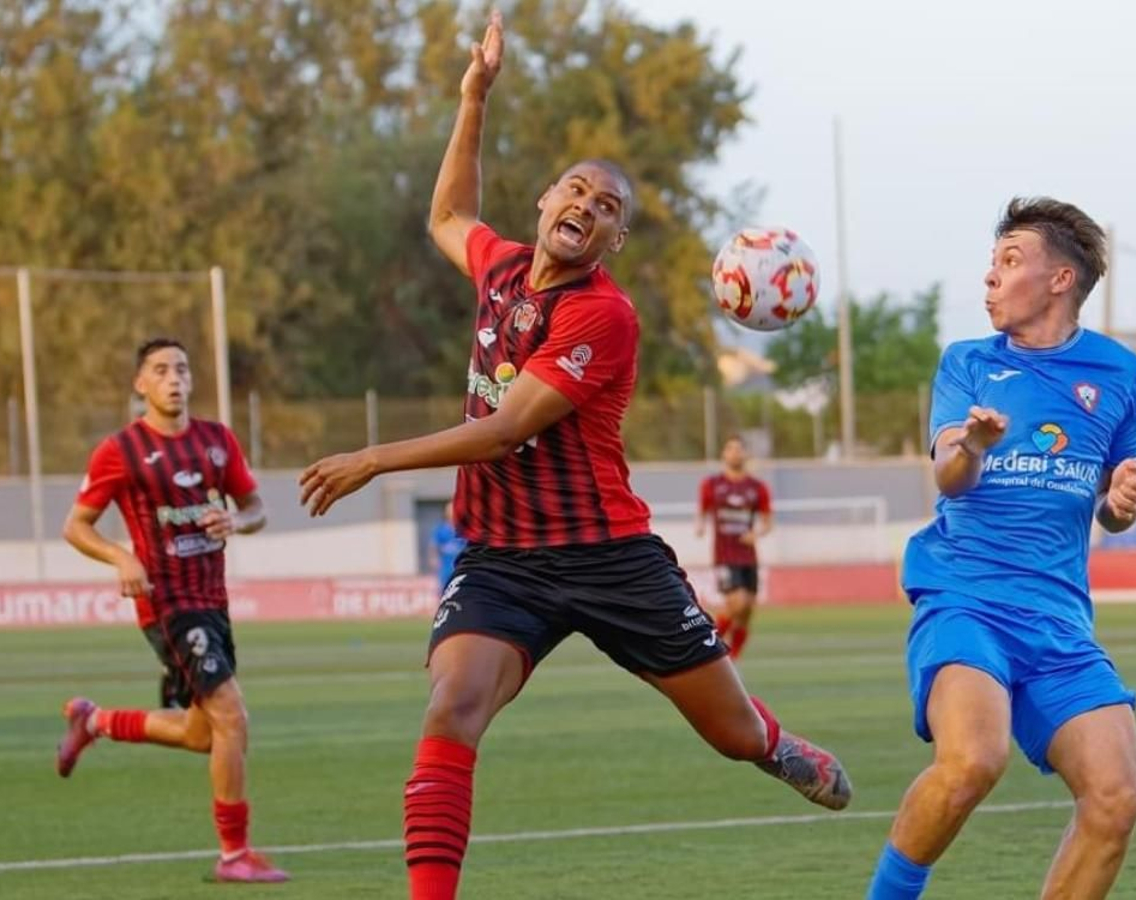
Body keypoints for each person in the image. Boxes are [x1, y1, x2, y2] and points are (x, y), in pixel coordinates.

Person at [296, 12, 850, 899]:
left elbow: (508, 428)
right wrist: (473, 98)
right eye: (577, 192)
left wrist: (373, 458)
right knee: (452, 708)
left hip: (607, 558)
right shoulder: (501, 270)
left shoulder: (605, 315)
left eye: (606, 209)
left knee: (733, 736)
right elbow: (447, 212)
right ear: (546, 201)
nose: (587, 209)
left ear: (611, 242)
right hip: (502, 561)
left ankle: (777, 744)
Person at [866, 197, 1136, 900]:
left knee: (1117, 797)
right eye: (991, 263)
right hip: (967, 599)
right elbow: (949, 478)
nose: (990, 277)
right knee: (972, 759)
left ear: (1061, 279)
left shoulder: (1122, 375)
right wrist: (974, 444)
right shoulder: (967, 364)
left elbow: (1110, 503)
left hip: (1059, 619)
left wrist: (1117, 508)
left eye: (1010, 260)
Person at [56, 337, 287, 884]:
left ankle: (96, 721)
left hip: (214, 602)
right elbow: (75, 526)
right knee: (232, 717)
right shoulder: (121, 450)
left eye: (181, 368)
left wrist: (238, 520)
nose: (173, 378)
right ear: (141, 385)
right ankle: (234, 856)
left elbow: (256, 508)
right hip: (168, 605)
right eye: (160, 370)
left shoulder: (216, 441)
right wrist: (120, 556)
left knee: (201, 734)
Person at [695, 435, 773, 658]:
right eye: (730, 449)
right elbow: (703, 510)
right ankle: (709, 646)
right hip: (725, 553)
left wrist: (756, 533)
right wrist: (700, 525)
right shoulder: (712, 485)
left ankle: (733, 658)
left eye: (739, 449)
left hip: (748, 555)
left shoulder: (757, 487)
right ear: (724, 454)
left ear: (745, 454)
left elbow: (768, 522)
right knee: (737, 602)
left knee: (747, 609)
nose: (735, 453)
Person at [430, 500, 467, 587]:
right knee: (444, 588)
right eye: (449, 510)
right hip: (445, 566)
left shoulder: (464, 529)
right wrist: (434, 559)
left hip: (461, 566)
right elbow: (434, 546)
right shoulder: (440, 529)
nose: (451, 512)